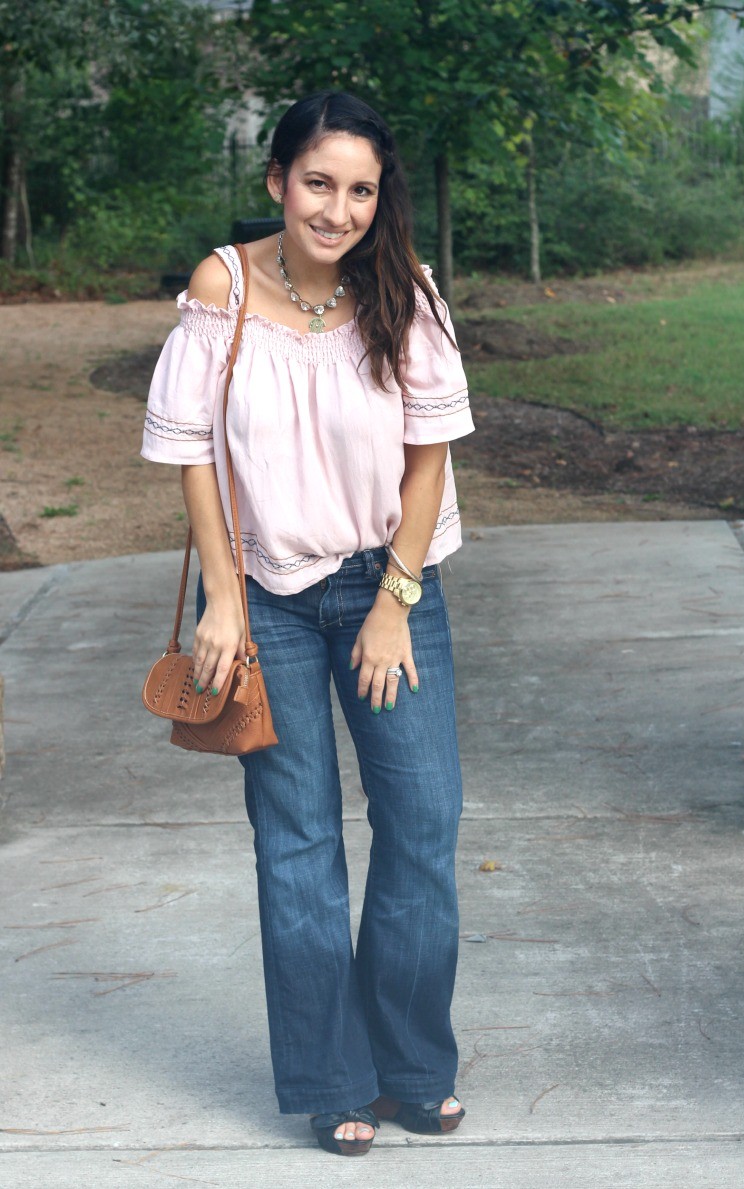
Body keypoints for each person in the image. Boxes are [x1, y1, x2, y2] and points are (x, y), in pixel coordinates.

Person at [141, 91, 474, 1157]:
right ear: (277, 180)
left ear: (382, 199)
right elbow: (192, 449)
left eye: (361, 190)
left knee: (422, 827)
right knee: (297, 844)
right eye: (319, 183)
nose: (338, 210)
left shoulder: (405, 291)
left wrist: (395, 604)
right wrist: (225, 598)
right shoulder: (223, 286)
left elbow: (431, 462)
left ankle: (414, 1066)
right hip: (265, 602)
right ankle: (335, 1078)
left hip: (389, 584)